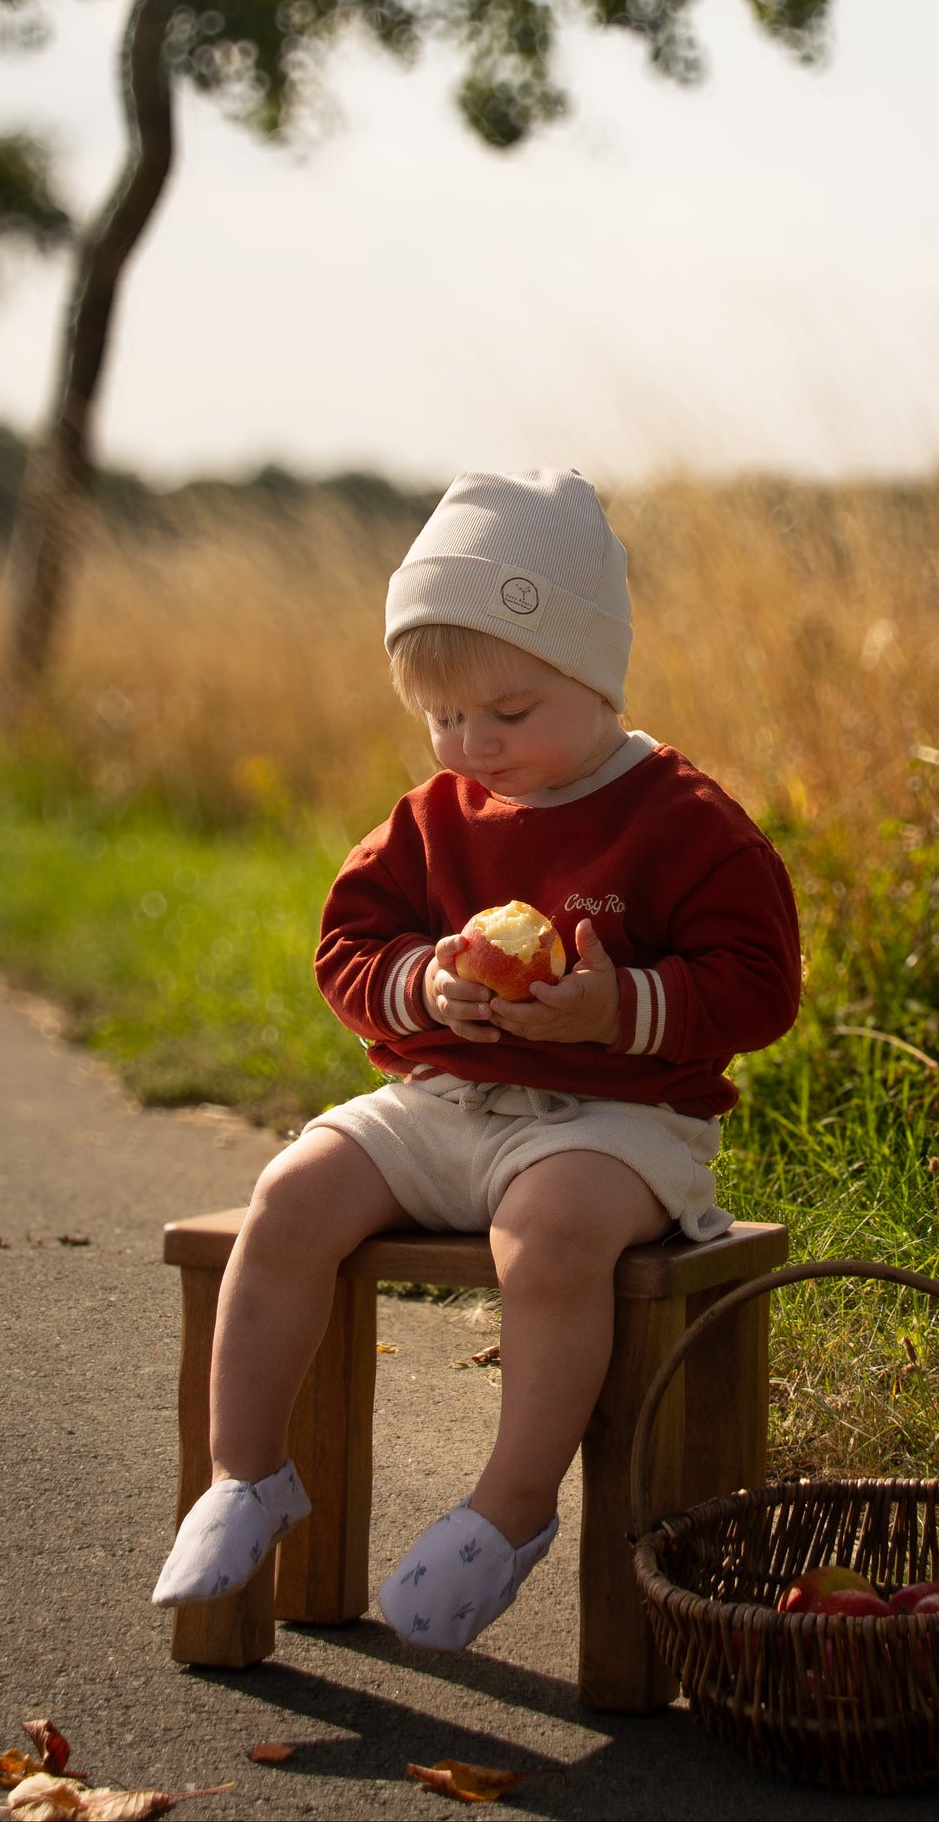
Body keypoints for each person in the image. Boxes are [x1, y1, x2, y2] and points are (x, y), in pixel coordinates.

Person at [150, 467, 801, 1650]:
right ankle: (243, 1478)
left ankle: (508, 1509)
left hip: (614, 1121)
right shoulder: (434, 814)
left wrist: (618, 1007)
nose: (473, 744)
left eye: (508, 713)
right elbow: (347, 944)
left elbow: (759, 983)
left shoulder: (679, 817)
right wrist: (424, 983)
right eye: (444, 718)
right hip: (448, 1097)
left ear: (595, 678)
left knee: (547, 1239)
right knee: (290, 1191)